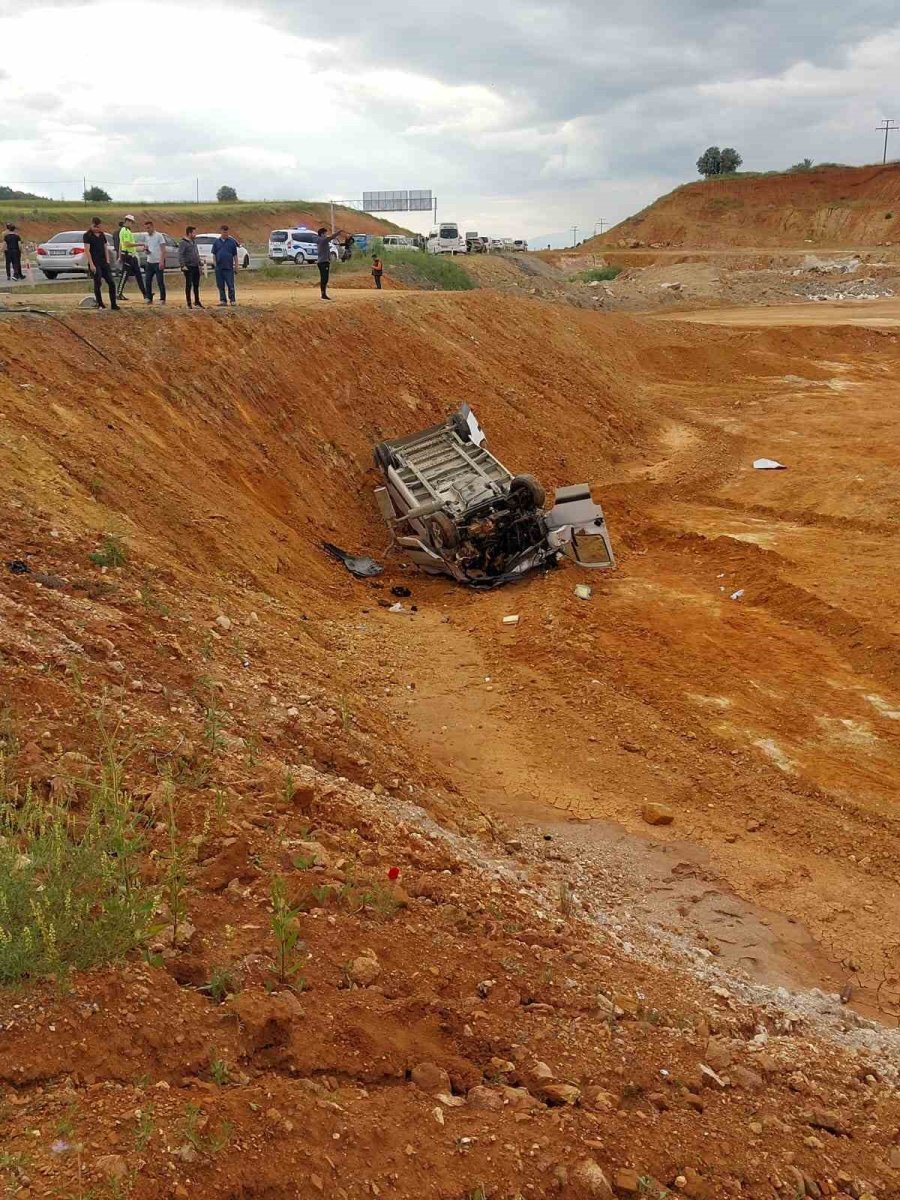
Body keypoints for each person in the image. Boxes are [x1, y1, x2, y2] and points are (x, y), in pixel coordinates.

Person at [83, 217, 119, 310]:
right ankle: (100, 303)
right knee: (98, 282)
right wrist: (91, 264)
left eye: (98, 226)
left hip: (103, 262)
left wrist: (107, 260)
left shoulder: (102, 235)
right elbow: (87, 250)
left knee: (111, 282)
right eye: (95, 226)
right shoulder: (87, 235)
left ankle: (113, 304)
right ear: (91, 225)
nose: (96, 228)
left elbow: (105, 247)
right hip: (95, 262)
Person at [117, 214, 146, 300]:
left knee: (138, 274)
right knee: (125, 274)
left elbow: (120, 245)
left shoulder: (128, 231)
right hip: (127, 255)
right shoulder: (125, 231)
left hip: (131, 255)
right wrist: (140, 244)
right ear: (127, 221)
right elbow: (126, 244)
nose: (132, 224)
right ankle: (119, 293)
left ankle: (145, 293)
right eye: (131, 222)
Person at [212, 224, 239, 306]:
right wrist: (215, 265)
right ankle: (223, 300)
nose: (225, 234)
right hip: (219, 267)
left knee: (230, 284)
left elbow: (235, 255)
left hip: (229, 267)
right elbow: (214, 254)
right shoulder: (216, 242)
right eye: (224, 233)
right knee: (220, 285)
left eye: (227, 233)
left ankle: (232, 300)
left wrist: (236, 266)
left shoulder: (232, 242)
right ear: (221, 232)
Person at [316, 226, 344, 300]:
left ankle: (323, 293)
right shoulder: (323, 240)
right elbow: (332, 237)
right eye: (325, 233)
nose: (326, 235)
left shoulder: (320, 240)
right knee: (324, 279)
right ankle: (323, 294)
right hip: (323, 262)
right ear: (322, 234)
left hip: (322, 262)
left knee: (324, 278)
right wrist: (339, 232)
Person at [143, 219, 167, 304]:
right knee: (147, 280)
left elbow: (163, 250)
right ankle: (149, 297)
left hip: (158, 261)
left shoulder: (159, 236)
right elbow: (146, 249)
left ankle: (162, 298)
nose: (147, 230)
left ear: (152, 227)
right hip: (150, 261)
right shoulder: (146, 237)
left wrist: (161, 261)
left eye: (149, 228)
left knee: (160, 281)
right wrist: (146, 250)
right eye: (146, 228)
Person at [178, 226, 203, 308]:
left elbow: (196, 252)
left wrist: (199, 263)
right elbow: (180, 254)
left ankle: (197, 301)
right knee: (189, 284)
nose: (195, 234)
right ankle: (189, 303)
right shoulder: (183, 242)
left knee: (196, 284)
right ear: (189, 233)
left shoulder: (193, 241)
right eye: (194, 233)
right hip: (188, 266)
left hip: (195, 266)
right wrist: (183, 265)